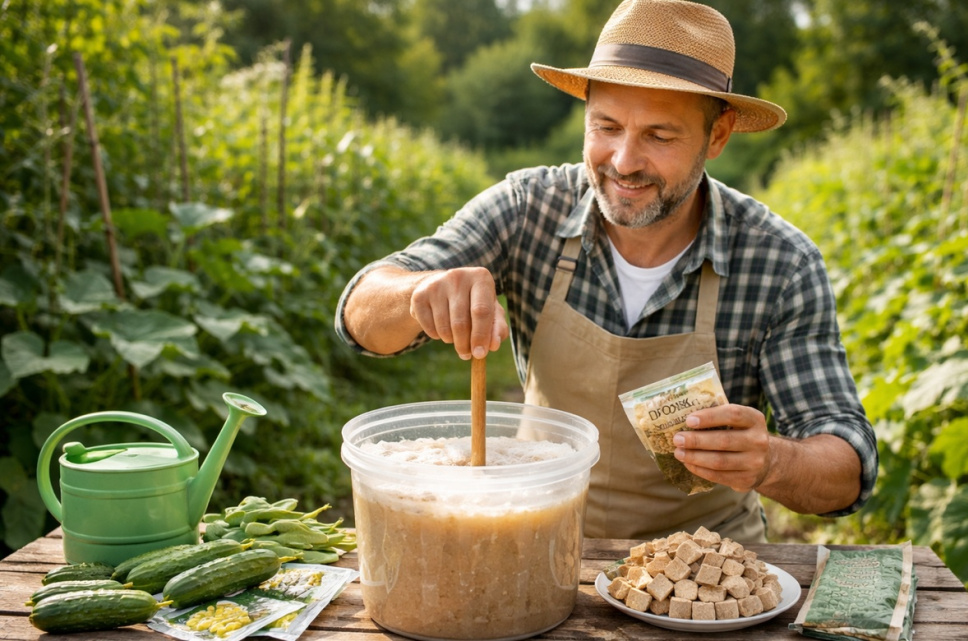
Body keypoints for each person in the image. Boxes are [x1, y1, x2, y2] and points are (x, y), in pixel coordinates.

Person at [336, 0, 877, 543]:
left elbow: (847, 466)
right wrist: (416, 294)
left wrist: (771, 461)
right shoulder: (529, 207)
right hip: (534, 541)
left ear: (719, 135)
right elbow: (358, 317)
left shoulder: (779, 262)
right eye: (607, 126)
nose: (623, 161)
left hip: (702, 574)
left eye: (659, 136)